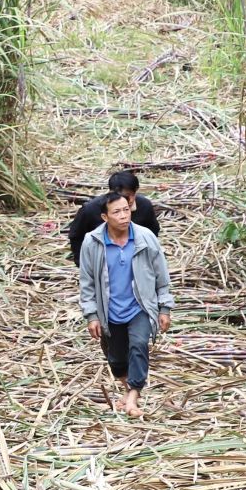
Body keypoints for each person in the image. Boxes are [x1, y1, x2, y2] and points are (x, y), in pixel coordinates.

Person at [78, 191, 174, 417]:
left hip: (140, 306)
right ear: (105, 217)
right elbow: (87, 282)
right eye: (116, 212)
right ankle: (128, 390)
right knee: (117, 359)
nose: (123, 216)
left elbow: (162, 275)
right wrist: (91, 315)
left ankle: (132, 398)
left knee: (139, 345)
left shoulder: (145, 237)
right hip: (109, 309)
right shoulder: (92, 243)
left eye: (126, 209)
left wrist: (165, 307)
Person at [66, 170, 160, 265]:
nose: (131, 200)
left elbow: (153, 233)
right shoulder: (91, 209)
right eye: (126, 196)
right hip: (103, 263)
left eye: (133, 194)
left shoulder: (144, 206)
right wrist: (83, 263)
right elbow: (76, 237)